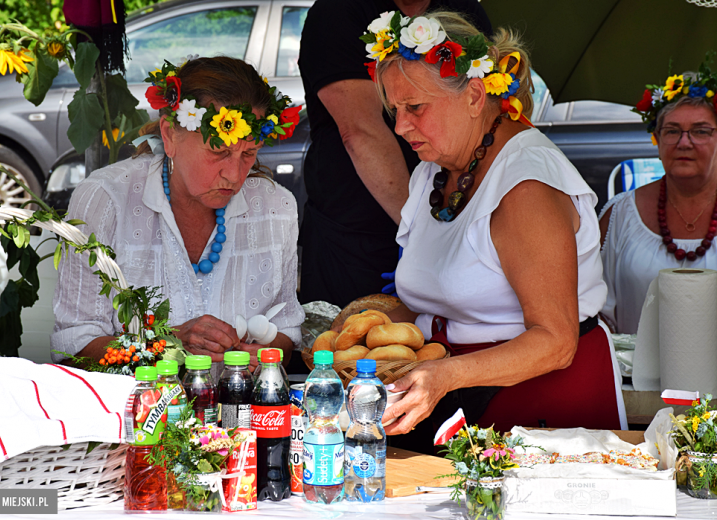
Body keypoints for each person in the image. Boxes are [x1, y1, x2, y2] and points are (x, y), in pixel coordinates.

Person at [360, 10, 627, 439]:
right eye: (394, 109)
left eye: (415, 107)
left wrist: (445, 375)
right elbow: (448, 297)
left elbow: (555, 341)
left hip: (542, 407)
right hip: (457, 392)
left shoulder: (526, 186)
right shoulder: (433, 170)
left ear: (474, 94)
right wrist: (365, 324)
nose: (401, 126)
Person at [51, 56, 305, 370]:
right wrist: (167, 344)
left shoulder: (275, 207)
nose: (234, 173)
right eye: (219, 151)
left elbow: (286, 332)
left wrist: (263, 357)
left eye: (248, 153)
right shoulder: (107, 200)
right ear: (170, 136)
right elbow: (73, 347)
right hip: (135, 413)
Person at [297, 0, 491, 308]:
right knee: (351, 348)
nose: (401, 126)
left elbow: (485, 109)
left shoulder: (463, 8)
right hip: (356, 234)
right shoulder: (337, 11)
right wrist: (421, 235)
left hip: (447, 221)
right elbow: (360, 132)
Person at [599, 65, 717, 334]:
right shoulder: (620, 215)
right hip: (635, 375)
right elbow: (591, 308)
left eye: (700, 131)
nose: (684, 143)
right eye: (672, 131)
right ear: (658, 139)